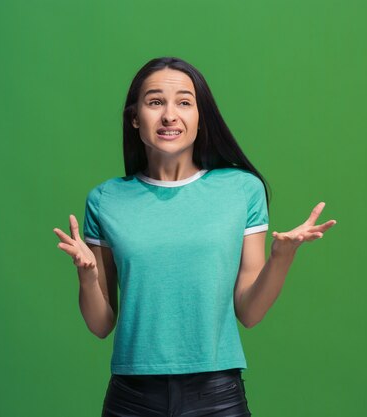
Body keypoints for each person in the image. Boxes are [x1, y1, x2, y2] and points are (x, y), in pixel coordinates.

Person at [53, 57, 337, 417]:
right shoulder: (106, 199)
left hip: (216, 394)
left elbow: (249, 312)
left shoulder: (241, 190)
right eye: (156, 102)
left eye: (184, 103)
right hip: (132, 396)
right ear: (135, 117)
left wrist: (282, 256)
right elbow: (100, 325)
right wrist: (87, 276)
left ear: (200, 118)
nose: (170, 115)